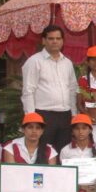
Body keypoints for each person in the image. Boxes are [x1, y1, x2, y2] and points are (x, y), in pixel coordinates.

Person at [21, 24, 77, 153]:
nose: (55, 41)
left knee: (64, 152)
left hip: (65, 115)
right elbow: (28, 91)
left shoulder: (67, 63)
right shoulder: (34, 61)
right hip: (43, 115)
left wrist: (74, 114)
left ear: (62, 41)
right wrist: (31, 118)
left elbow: (73, 89)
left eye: (58, 38)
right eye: (51, 38)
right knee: (43, 152)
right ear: (43, 41)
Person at [59, 114, 96, 192]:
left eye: (84, 128)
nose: (80, 132)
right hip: (73, 190)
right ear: (72, 131)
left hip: (93, 189)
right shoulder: (65, 151)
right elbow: (64, 175)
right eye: (77, 128)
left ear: (90, 130)